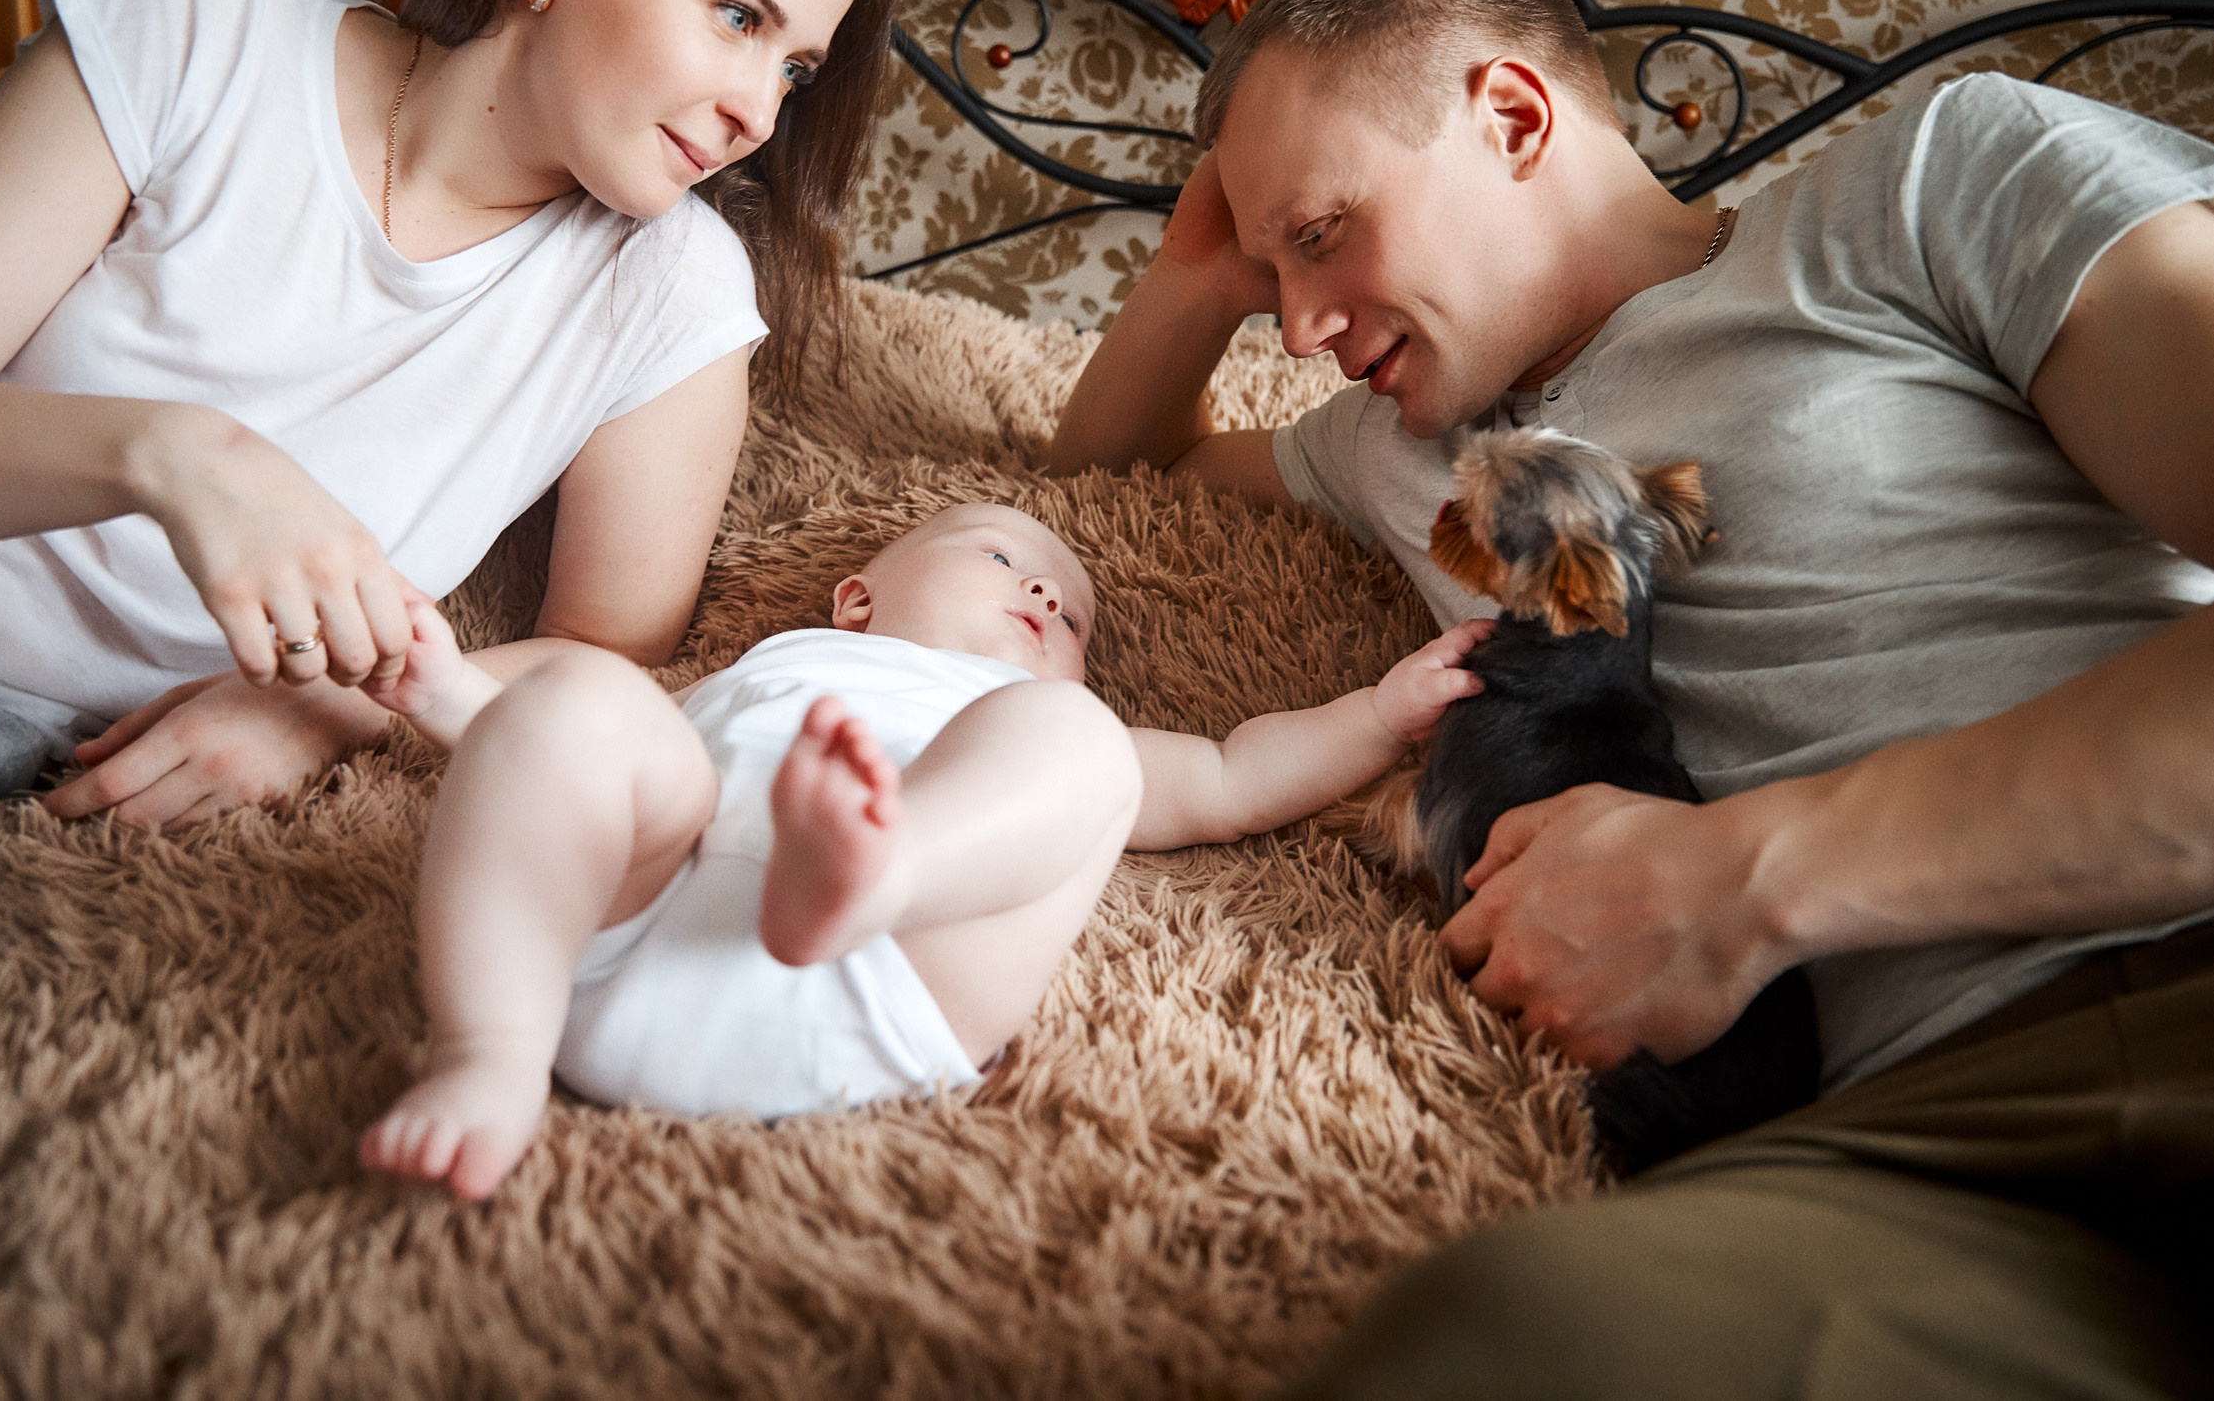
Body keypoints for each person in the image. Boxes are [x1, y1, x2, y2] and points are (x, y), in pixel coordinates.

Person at [1049, 0, 2214, 1396]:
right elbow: (1109, 469)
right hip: (1905, 1157)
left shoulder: (1924, 185)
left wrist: (1754, 871)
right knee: (1499, 1340)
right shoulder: (1399, 448)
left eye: (1327, 237)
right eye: (1280, 280)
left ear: (1514, 117)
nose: (1305, 327)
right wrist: (1219, 262)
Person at [0, 0, 898, 935]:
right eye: (735, 16)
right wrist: (182, 458)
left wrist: (328, 709)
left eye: (795, 71)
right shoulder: (197, 41)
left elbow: (602, 651)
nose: (755, 114)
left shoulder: (673, 295)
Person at [354, 500, 1491, 1202]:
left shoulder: (1016, 709)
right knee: (589, 700)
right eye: (1001, 558)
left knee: (1079, 746)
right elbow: (577, 770)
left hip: (890, 980)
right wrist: (457, 694)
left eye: (1075, 618)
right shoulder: (775, 663)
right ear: (858, 599)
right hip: (630, 928)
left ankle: (879, 868)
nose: (1048, 592)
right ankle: (491, 1051)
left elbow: (1239, 779)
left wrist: (1381, 716)